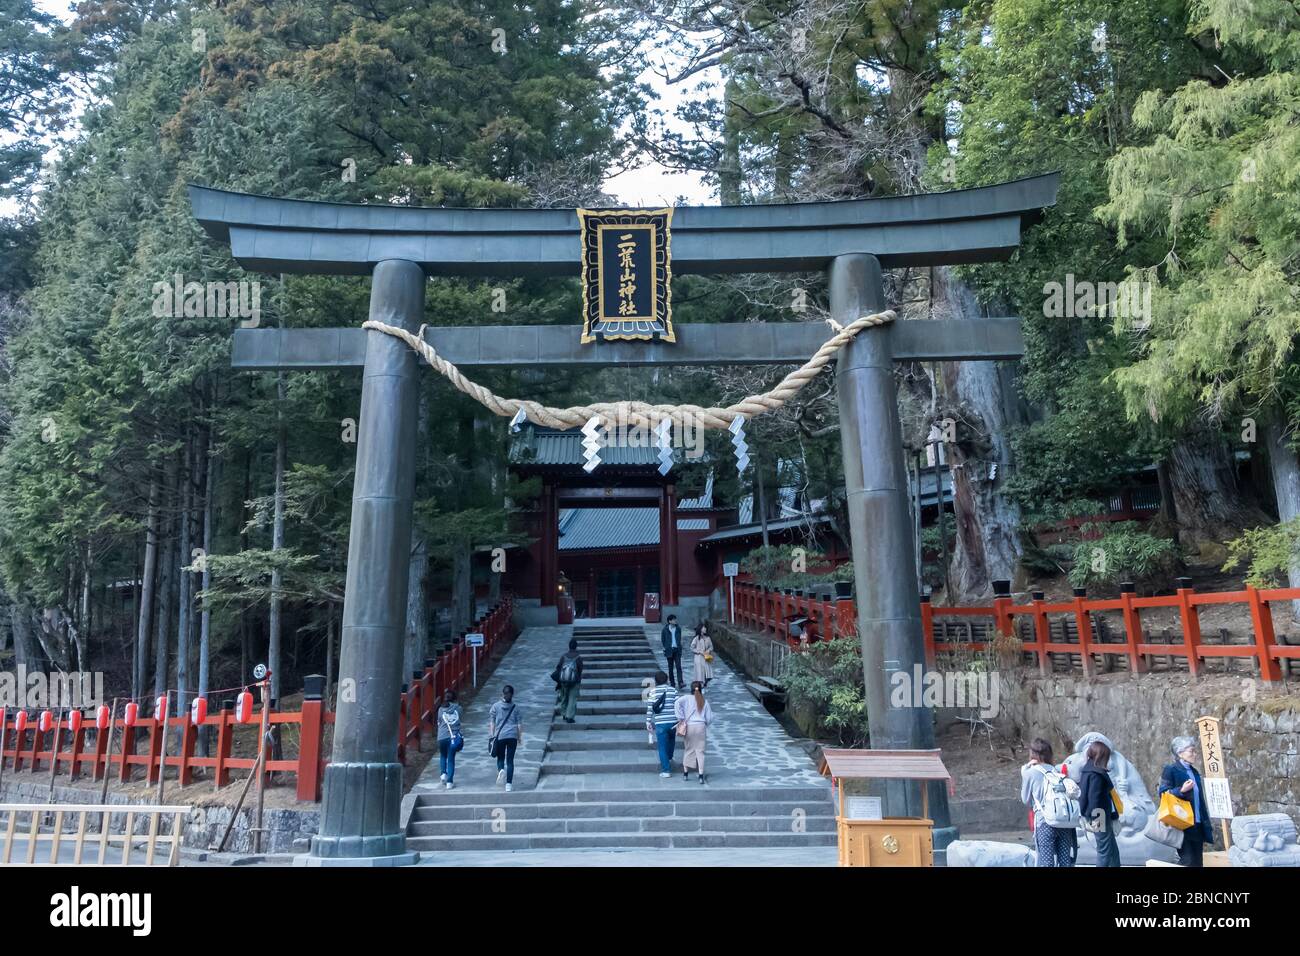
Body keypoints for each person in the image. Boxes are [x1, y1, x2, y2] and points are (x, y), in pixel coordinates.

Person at [1159, 735, 1214, 867]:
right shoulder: (1171, 770)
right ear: (1180, 753)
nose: (1195, 754)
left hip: (1198, 823)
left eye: (1195, 751)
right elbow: (1163, 793)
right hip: (1182, 823)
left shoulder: (1194, 772)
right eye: (1191, 751)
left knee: (1198, 862)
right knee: (1187, 861)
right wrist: (1181, 790)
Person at [1020, 737, 1074, 867]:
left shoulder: (1029, 773)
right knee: (1065, 861)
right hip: (1064, 821)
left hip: (1044, 822)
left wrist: (1024, 773)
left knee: (1046, 862)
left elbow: (1026, 800)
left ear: (1033, 754)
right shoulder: (1056, 771)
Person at [1078, 738, 1121, 867]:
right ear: (1102, 756)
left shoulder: (1087, 770)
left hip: (1097, 814)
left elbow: (1085, 796)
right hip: (1099, 815)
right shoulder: (1096, 774)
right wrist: (1095, 818)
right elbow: (1094, 798)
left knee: (1111, 848)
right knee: (1105, 850)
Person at [675, 680, 714, 783]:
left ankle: (685, 773)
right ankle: (701, 775)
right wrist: (706, 723)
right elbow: (709, 717)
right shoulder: (704, 701)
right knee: (700, 751)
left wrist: (681, 717)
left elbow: (677, 703)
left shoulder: (686, 698)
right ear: (700, 689)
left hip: (689, 726)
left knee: (688, 749)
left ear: (691, 689)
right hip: (700, 726)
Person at [488, 685, 523, 792]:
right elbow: (519, 725)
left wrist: (492, 735)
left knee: (500, 757)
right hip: (512, 736)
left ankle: (501, 769)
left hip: (500, 736)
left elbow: (492, 722)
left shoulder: (495, 706)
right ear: (512, 694)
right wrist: (519, 737)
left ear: (502, 694)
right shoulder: (516, 707)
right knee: (510, 760)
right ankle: (509, 785)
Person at [645, 669, 678, 778]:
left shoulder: (653, 692)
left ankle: (666, 770)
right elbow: (678, 705)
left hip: (660, 723)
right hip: (673, 722)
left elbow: (650, 708)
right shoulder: (673, 690)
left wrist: (648, 721)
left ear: (656, 681)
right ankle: (669, 757)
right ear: (667, 679)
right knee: (672, 740)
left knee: (662, 746)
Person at [551, 638, 584, 724]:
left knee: (564, 697)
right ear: (576, 646)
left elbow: (558, 667)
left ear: (569, 646)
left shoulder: (563, 656)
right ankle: (570, 717)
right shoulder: (578, 657)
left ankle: (564, 714)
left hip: (563, 681)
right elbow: (580, 669)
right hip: (575, 681)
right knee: (572, 698)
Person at [436, 690, 462, 790]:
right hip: (453, 737)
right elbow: (460, 719)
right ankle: (449, 782)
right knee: (451, 759)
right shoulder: (459, 708)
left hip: (442, 736)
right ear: (454, 698)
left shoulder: (440, 709)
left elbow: (439, 722)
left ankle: (443, 774)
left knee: (443, 755)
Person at [661, 614, 685, 689]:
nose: (675, 621)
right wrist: (666, 647)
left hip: (677, 650)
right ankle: (672, 683)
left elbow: (679, 638)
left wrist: (679, 646)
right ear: (669, 621)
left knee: (678, 666)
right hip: (669, 650)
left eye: (675, 619)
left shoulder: (678, 629)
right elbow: (663, 640)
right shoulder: (665, 630)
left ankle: (680, 682)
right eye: (674, 620)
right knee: (670, 668)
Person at [691, 621, 715, 688]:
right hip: (699, 658)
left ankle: (705, 683)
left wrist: (708, 650)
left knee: (707, 673)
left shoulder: (708, 638)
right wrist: (699, 651)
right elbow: (692, 648)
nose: (705, 629)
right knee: (700, 673)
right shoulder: (696, 639)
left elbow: (711, 647)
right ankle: (701, 685)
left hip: (706, 657)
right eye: (704, 628)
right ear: (700, 629)